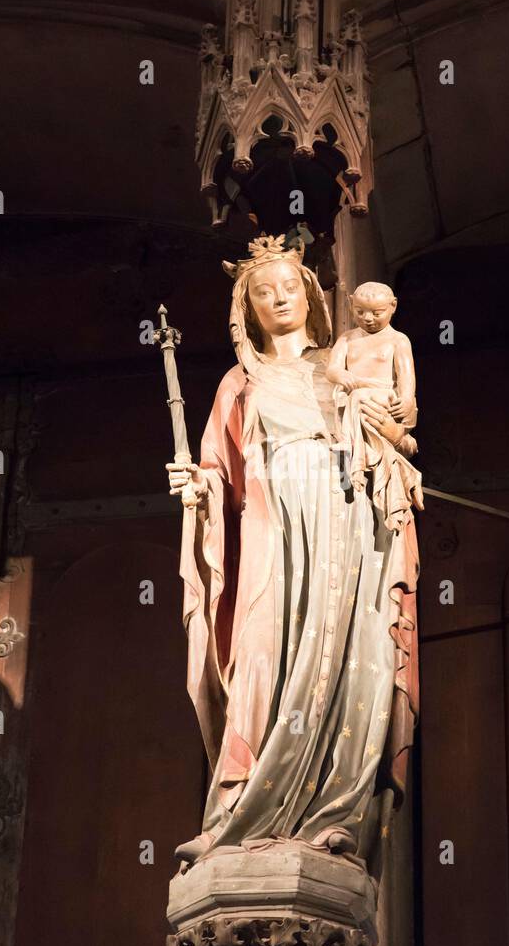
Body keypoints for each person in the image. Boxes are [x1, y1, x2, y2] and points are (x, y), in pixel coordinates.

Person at [165, 234, 420, 879]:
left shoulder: (339, 362)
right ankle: (237, 817)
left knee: (349, 660)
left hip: (343, 523)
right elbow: (219, 470)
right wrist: (197, 487)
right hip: (272, 529)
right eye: (262, 291)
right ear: (245, 307)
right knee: (260, 657)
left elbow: (394, 436)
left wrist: (381, 434)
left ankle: (337, 817)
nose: (278, 298)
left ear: (309, 293)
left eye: (288, 286)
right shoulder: (240, 382)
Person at [325, 280, 423, 530]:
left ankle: (355, 462)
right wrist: (340, 375)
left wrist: (408, 398)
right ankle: (357, 456)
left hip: (383, 397)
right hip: (354, 397)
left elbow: (406, 376)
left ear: (393, 307)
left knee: (358, 401)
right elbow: (332, 369)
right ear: (350, 305)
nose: (368, 318)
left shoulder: (398, 340)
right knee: (351, 401)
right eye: (360, 312)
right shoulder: (346, 339)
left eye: (376, 313)